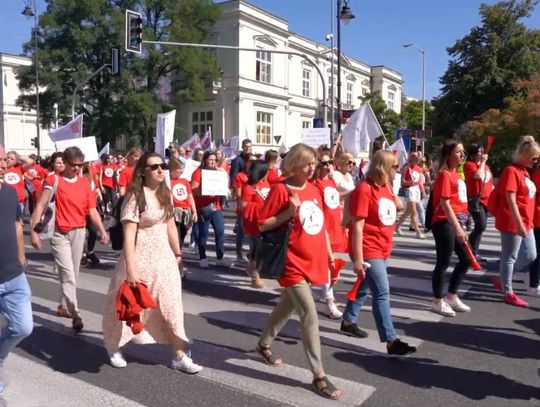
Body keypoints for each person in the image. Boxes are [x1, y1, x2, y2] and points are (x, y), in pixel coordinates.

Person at [102, 152, 202, 374]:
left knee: (173, 305)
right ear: (143, 172)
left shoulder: (165, 193)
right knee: (130, 307)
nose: (160, 170)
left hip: (163, 257)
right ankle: (114, 345)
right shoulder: (135, 197)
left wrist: (178, 254)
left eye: (163, 166)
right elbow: (129, 237)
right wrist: (131, 269)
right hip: (140, 257)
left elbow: (170, 226)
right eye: (154, 166)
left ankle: (179, 355)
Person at [256, 143, 341, 401]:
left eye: (314, 163)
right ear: (293, 165)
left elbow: (321, 224)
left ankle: (263, 344)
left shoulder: (314, 188)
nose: (312, 167)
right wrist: (288, 212)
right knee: (308, 312)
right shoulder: (281, 190)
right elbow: (262, 225)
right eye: (307, 163)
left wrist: (328, 253)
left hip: (312, 258)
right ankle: (319, 376)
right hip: (291, 261)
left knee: (288, 306)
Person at [340, 150, 416, 355]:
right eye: (394, 167)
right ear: (383, 167)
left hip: (383, 246)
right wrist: (358, 259)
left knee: (365, 286)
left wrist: (392, 192)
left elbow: (398, 205)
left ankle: (348, 320)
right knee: (382, 293)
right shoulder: (365, 189)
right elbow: (357, 226)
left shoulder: (385, 187)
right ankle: (391, 341)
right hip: (368, 247)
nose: (397, 170)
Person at [30, 147, 109, 332]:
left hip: (79, 232)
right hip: (59, 234)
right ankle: (75, 313)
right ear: (64, 163)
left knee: (73, 273)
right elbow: (41, 205)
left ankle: (63, 305)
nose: (77, 169)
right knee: (67, 275)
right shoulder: (53, 180)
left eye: (80, 165)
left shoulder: (84, 183)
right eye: (73, 165)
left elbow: (92, 210)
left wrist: (102, 230)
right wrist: (34, 232)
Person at [0, 144, 33, 401]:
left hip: (13, 275)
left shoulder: (10, 193)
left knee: (23, 327)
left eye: (4, 160)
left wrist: (22, 257)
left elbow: (16, 225)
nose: (4, 165)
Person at [493, 136, 540, 307]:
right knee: (510, 257)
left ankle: (503, 278)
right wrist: (519, 222)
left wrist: (528, 222)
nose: (535, 161)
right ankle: (508, 291)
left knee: (531, 254)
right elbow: (510, 199)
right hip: (512, 220)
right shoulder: (511, 171)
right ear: (523, 154)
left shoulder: (524, 171)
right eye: (533, 157)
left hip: (526, 221)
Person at [430, 141, 471, 317]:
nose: (462, 155)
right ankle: (438, 301)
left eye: (463, 152)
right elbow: (445, 204)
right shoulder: (444, 175)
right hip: (444, 223)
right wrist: (457, 228)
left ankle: (452, 295)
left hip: (457, 222)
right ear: (448, 155)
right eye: (459, 152)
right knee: (443, 262)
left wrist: (465, 224)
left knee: (465, 260)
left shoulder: (457, 175)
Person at [312, 152, 346, 319]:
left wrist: (343, 223)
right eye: (324, 163)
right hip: (322, 228)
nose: (328, 166)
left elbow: (338, 200)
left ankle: (323, 292)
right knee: (327, 265)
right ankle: (329, 302)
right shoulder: (315, 184)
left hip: (335, 227)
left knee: (331, 268)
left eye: (330, 163)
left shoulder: (331, 182)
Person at [191, 151, 228, 269]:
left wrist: (224, 177)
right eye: (210, 159)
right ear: (205, 160)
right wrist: (205, 191)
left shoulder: (219, 172)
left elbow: (225, 186)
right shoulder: (198, 172)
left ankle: (220, 257)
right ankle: (202, 257)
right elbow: (193, 189)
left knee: (220, 231)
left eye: (215, 160)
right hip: (203, 208)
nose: (213, 162)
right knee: (204, 233)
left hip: (216, 207)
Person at [240, 160, 270, 288]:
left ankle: (251, 268)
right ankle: (255, 276)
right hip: (253, 223)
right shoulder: (248, 187)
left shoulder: (266, 183)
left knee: (261, 250)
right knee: (256, 249)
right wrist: (260, 207)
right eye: (266, 171)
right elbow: (243, 206)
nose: (268, 173)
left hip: (265, 221)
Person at [463, 144, 493, 260]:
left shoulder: (486, 167)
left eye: (481, 152)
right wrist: (483, 163)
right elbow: (478, 176)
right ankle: (469, 250)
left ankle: (474, 252)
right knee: (481, 225)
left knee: (481, 227)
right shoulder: (469, 165)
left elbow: (489, 182)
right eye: (477, 152)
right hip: (476, 200)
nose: (479, 154)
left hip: (486, 200)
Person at [169, 158, 198, 273]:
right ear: (172, 170)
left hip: (186, 211)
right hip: (175, 211)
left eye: (182, 170)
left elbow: (190, 197)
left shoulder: (185, 182)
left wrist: (194, 211)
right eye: (179, 170)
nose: (181, 172)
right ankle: (175, 262)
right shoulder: (168, 181)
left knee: (182, 235)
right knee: (176, 237)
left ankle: (176, 259)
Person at [396, 152, 426, 239]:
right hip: (408, 190)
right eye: (412, 159)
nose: (414, 161)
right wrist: (410, 182)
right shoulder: (406, 168)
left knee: (408, 212)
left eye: (416, 160)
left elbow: (420, 181)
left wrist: (423, 191)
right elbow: (402, 182)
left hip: (416, 191)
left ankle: (397, 226)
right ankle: (417, 231)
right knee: (414, 211)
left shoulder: (419, 169)